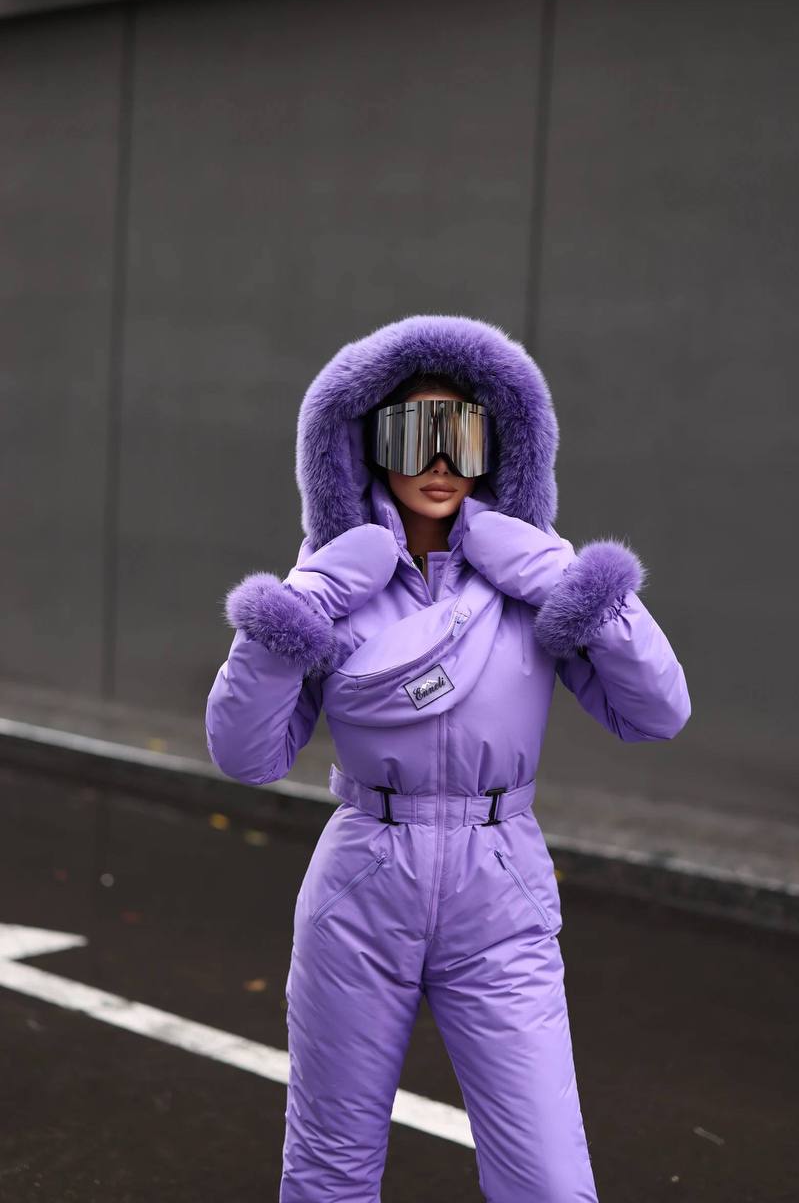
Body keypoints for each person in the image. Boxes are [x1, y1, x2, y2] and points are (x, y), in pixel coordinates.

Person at [205, 313, 691, 1203]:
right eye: (412, 432)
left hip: (498, 885)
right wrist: (303, 601)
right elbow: (243, 754)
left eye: (460, 433)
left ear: (494, 446)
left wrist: (561, 578)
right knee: (329, 1172)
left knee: (546, 1178)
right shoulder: (336, 579)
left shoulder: (526, 579)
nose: (438, 460)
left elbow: (657, 712)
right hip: (361, 881)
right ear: (364, 445)